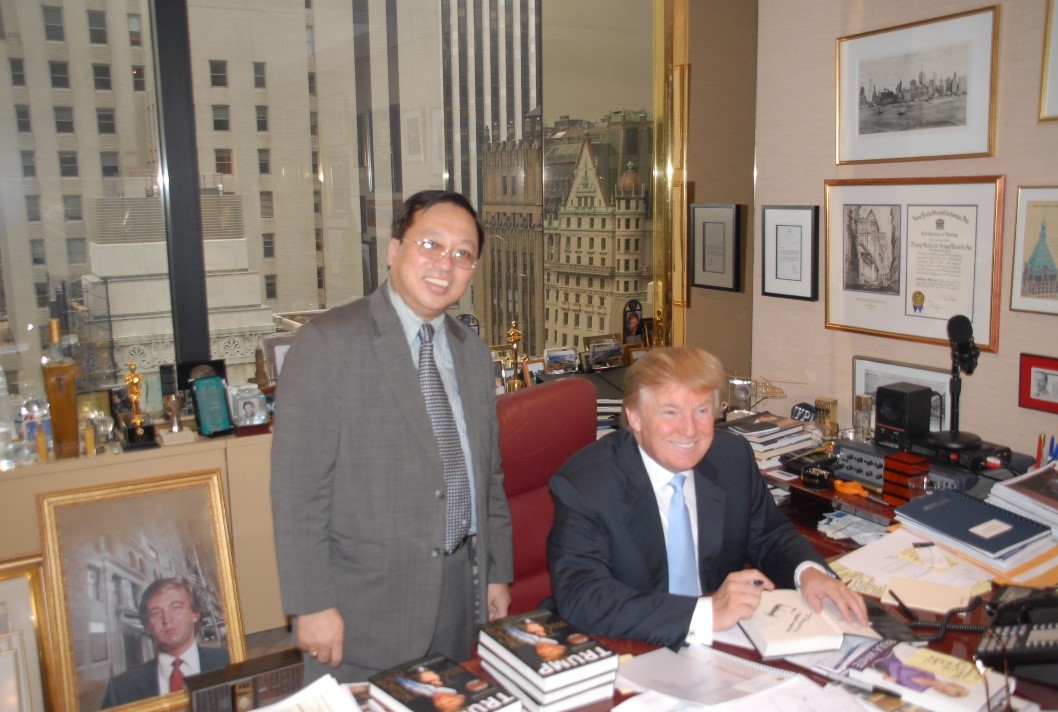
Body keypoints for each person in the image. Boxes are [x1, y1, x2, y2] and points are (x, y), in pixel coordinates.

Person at [270, 190, 513, 683]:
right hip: (361, 607)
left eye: (463, 254)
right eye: (431, 245)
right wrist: (311, 602)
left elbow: (487, 475)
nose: (446, 264)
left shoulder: (472, 354)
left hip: (457, 596)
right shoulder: (328, 344)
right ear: (393, 250)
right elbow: (298, 492)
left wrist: (496, 569)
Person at [545, 346, 867, 648]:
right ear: (636, 417)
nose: (690, 431)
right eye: (671, 412)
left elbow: (769, 534)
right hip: (627, 643)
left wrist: (808, 572)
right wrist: (706, 613)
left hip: (723, 641)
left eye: (701, 411)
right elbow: (582, 596)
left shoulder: (730, 456)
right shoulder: (586, 484)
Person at [101, 578, 229, 708]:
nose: (167, 619)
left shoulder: (230, 662)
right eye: (156, 613)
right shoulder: (120, 690)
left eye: (176, 607)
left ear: (195, 614)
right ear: (148, 627)